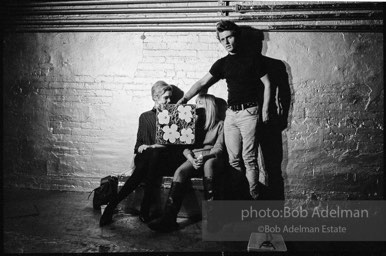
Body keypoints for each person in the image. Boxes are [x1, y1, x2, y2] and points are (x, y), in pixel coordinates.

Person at [177, 20, 272, 200]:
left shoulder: (253, 58)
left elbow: (268, 84)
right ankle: (239, 201)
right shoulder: (222, 63)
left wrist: (266, 110)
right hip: (231, 115)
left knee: (249, 159)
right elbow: (202, 83)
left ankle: (255, 200)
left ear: (237, 36)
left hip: (249, 113)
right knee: (233, 160)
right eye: (222, 39)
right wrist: (184, 99)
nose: (227, 42)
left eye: (229, 37)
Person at [100, 80, 176, 227]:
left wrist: (153, 146)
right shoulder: (145, 116)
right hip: (146, 158)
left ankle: (112, 205)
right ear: (155, 97)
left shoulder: (174, 117)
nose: (169, 101)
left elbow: (172, 147)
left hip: (162, 159)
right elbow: (138, 144)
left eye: (170, 97)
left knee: (153, 156)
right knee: (149, 158)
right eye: (166, 97)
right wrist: (142, 146)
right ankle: (144, 208)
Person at [147, 94, 225, 232]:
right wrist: (191, 158)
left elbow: (218, 148)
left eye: (200, 103)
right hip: (193, 156)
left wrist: (205, 158)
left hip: (210, 156)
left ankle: (214, 220)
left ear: (209, 106)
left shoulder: (220, 124)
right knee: (180, 172)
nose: (196, 106)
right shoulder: (191, 123)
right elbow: (184, 147)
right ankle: (169, 219)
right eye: (196, 102)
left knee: (209, 165)